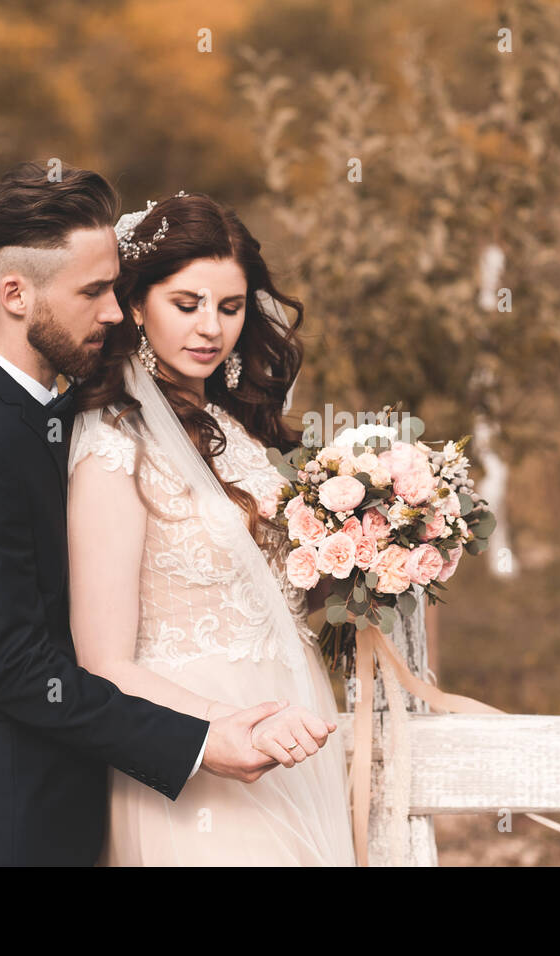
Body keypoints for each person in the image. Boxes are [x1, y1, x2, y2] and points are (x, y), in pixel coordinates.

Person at [0, 162, 297, 866]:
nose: (115, 311)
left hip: (77, 812)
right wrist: (199, 740)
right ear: (15, 294)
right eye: (94, 291)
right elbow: (19, 670)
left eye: (115, 286)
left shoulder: (56, 416)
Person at [67, 188, 357, 865]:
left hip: (292, 728)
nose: (210, 329)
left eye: (229, 308)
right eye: (187, 304)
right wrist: (219, 728)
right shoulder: (114, 446)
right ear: (136, 304)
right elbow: (102, 663)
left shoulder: (237, 430)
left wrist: (376, 552)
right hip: (198, 753)